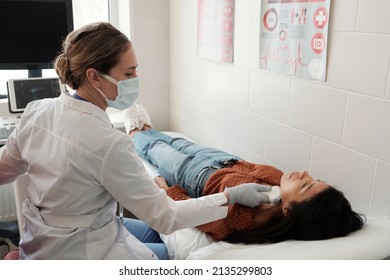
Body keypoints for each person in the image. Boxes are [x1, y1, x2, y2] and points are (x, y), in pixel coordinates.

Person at [0, 22, 271, 260]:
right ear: (94, 76)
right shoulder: (108, 144)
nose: (136, 80)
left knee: (153, 230)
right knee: (176, 254)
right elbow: (166, 217)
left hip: (44, 239)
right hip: (79, 253)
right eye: (128, 74)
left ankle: (140, 131)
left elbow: (4, 169)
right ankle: (140, 132)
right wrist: (229, 196)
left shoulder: (37, 110)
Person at [126, 106, 365, 244]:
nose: (304, 173)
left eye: (305, 186)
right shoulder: (279, 186)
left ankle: (136, 132)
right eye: (314, 180)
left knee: (155, 149)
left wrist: (167, 189)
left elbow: (193, 211)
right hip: (223, 158)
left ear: (288, 211)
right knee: (174, 140)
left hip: (195, 176)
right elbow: (253, 168)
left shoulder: (241, 220)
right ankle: (150, 129)